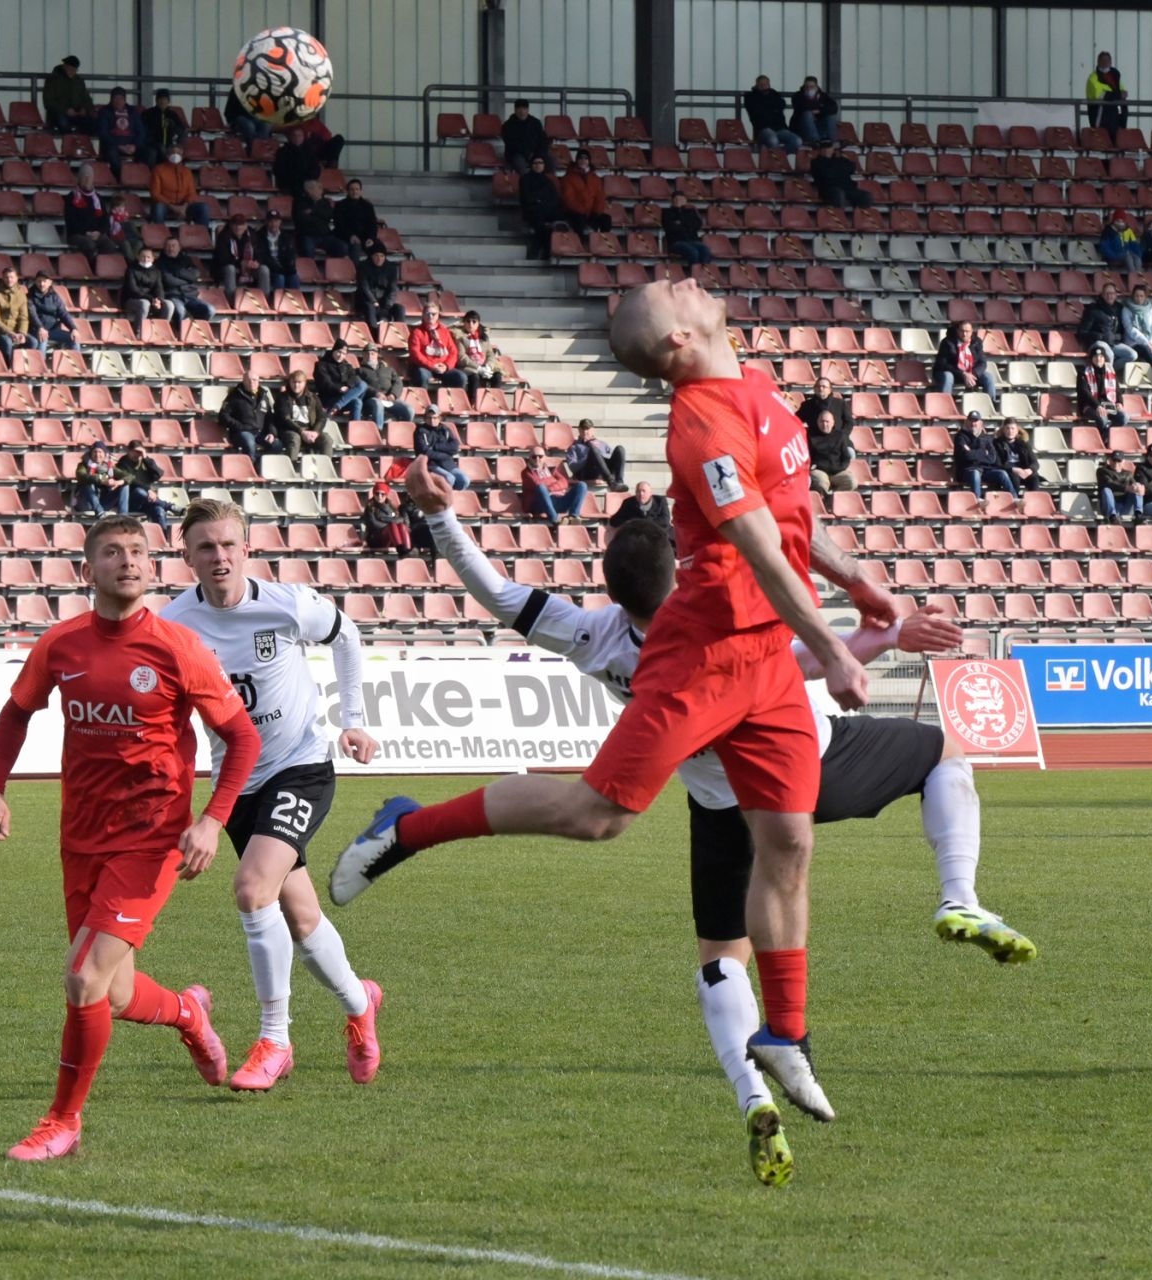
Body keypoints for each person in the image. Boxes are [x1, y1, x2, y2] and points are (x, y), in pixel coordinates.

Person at [330, 279, 901, 1182]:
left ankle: (787, 1034)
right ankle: (406, 827)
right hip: (707, 652)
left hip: (761, 651)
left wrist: (858, 581)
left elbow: (792, 520)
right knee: (598, 815)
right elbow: (757, 541)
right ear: (677, 338)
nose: (687, 278)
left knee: (790, 840)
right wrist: (830, 642)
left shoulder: (755, 386)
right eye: (672, 289)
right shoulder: (701, 423)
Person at [394, 456, 1022, 1188]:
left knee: (722, 959)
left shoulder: (594, 636)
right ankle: (957, 895)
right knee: (943, 753)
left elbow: (498, 594)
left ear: (612, 588)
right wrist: (887, 637)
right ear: (679, 572)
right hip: (799, 771)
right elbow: (808, 657)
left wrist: (441, 517)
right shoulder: (715, 616)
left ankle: (751, 1092)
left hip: (719, 806)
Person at [0, 513, 261, 1161]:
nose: (127, 561)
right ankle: (188, 1013)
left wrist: (211, 820)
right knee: (116, 991)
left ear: (151, 567)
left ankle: (63, 1121)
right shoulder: (61, 645)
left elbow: (242, 737)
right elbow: (16, 713)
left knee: (83, 977)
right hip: (81, 836)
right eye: (112, 552)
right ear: (88, 570)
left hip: (151, 839)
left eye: (137, 551)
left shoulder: (178, 647)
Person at [159, 500, 385, 1091]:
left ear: (246, 549)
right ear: (187, 558)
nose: (219, 556)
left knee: (252, 888)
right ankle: (360, 1004)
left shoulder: (288, 604)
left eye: (228, 544)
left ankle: (274, 1040)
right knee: (301, 916)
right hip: (236, 781)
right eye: (205, 547)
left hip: (301, 767)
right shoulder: (174, 625)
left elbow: (347, 636)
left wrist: (353, 719)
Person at [273, 368, 340, 463]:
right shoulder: (282, 398)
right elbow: (285, 419)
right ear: (290, 382)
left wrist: (315, 432)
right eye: (294, 382)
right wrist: (302, 432)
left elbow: (322, 417)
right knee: (294, 439)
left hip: (310, 430)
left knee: (327, 439)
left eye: (299, 382)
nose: (296, 385)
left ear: (304, 383)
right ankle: (291, 466)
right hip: (291, 430)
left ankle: (325, 466)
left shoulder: (313, 397)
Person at [951, 411, 1015, 503]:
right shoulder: (960, 437)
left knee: (1002, 473)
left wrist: (972, 453)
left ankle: (1014, 499)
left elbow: (992, 458)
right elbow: (966, 456)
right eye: (971, 420)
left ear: (981, 423)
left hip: (985, 470)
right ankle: (977, 500)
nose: (973, 423)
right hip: (966, 471)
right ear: (966, 422)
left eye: (976, 421)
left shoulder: (986, 438)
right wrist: (983, 453)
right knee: (975, 473)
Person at [220, 372, 281, 466]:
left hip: (260, 433)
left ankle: (260, 465)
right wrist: (240, 427)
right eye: (248, 380)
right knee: (249, 442)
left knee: (277, 444)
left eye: (254, 380)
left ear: (258, 381)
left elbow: (269, 417)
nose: (252, 383)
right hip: (241, 433)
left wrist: (271, 433)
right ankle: (250, 468)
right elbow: (223, 416)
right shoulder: (234, 396)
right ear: (243, 381)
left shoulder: (263, 396)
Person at [1077, 283, 1135, 374]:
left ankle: (1107, 372)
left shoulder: (1119, 309)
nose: (1109, 296)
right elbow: (1082, 332)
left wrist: (1118, 337)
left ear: (1116, 295)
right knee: (1109, 355)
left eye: (1112, 293)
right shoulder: (1093, 309)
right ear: (1102, 294)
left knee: (1132, 355)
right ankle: (1107, 377)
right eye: (1107, 293)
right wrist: (1099, 336)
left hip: (1114, 343)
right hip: (1098, 343)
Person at [114, 441, 172, 532]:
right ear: (129, 451)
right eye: (135, 451)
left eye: (140, 452)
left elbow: (158, 474)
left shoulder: (146, 462)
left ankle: (163, 538)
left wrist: (146, 458)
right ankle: (168, 505)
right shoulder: (122, 463)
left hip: (148, 500)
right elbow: (133, 481)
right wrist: (148, 490)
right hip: (131, 501)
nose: (137, 455)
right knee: (139, 491)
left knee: (159, 511)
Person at [521, 446, 588, 525]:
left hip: (558, 499)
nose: (537, 459)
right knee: (541, 488)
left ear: (545, 458)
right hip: (540, 504)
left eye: (540, 456)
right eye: (534, 456)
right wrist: (554, 480)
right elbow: (537, 484)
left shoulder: (551, 469)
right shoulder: (526, 473)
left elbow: (564, 482)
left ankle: (573, 516)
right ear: (529, 458)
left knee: (582, 485)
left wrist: (550, 488)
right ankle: (555, 520)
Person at [0, 267, 35, 361]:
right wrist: (9, 333)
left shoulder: (21, 295)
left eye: (11, 277)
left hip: (15, 330)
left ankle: (22, 365)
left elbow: (23, 317)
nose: (9, 280)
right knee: (7, 342)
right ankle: (7, 366)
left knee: (32, 342)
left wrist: (22, 333)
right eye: (6, 277)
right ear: (3, 278)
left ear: (16, 278)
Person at [408, 304, 466, 390]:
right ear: (423, 315)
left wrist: (446, 366)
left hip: (443, 366)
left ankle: (452, 398)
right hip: (425, 367)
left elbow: (453, 352)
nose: (430, 316)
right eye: (427, 314)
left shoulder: (444, 331)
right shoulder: (417, 332)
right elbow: (415, 354)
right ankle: (423, 398)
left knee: (461, 377)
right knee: (421, 375)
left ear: (438, 315)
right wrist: (432, 366)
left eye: (433, 314)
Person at [932, 320, 997, 397]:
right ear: (957, 331)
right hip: (953, 373)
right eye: (962, 331)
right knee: (948, 376)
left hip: (971, 373)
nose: (964, 334)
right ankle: (944, 401)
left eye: (967, 331)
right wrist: (963, 374)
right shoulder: (947, 342)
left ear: (971, 331)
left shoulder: (977, 342)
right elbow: (942, 364)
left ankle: (991, 402)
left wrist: (972, 374)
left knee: (988, 377)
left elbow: (982, 363)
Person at [312, 339, 373, 419]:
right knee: (361, 389)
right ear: (333, 350)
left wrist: (348, 386)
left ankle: (341, 410)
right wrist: (339, 388)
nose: (340, 356)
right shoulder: (321, 365)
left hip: (343, 398)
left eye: (344, 353)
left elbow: (353, 377)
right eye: (339, 352)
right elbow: (325, 383)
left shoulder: (346, 366)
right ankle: (336, 406)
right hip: (329, 399)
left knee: (360, 394)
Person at [64, 169, 119, 257]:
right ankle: (90, 265)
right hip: (77, 234)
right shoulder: (72, 197)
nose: (87, 180)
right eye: (85, 177)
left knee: (110, 245)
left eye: (90, 177)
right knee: (89, 245)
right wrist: (86, 232)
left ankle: (101, 264)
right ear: (79, 179)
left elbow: (105, 220)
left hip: (96, 234)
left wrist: (99, 232)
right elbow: (71, 221)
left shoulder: (97, 198)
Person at [518, 153, 563, 260]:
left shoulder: (548, 181)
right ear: (531, 165)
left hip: (548, 212)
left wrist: (543, 202)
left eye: (540, 163)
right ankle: (542, 253)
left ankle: (539, 252)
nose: (538, 165)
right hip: (533, 212)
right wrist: (541, 201)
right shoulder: (525, 179)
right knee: (542, 227)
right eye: (535, 163)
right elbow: (528, 198)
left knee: (559, 223)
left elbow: (554, 199)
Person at [1120, 282, 1152, 382]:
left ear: (1145, 296)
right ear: (1133, 296)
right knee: (1147, 349)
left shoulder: (1151, 308)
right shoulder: (1126, 309)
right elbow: (1130, 329)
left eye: (1141, 296)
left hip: (1151, 342)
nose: (1139, 298)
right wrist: (1146, 342)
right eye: (1136, 296)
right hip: (1134, 342)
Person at [148, 149, 209, 226]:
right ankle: (159, 232)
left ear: (182, 156)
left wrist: (184, 207)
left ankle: (203, 233)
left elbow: (192, 193)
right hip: (165, 205)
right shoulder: (158, 170)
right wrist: (172, 206)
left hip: (183, 205)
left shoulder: (186, 171)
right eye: (173, 152)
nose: (175, 155)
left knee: (203, 207)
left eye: (178, 153)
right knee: (158, 208)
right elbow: (155, 194)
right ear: (167, 155)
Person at [213, 213, 267, 299]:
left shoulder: (252, 235)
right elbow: (222, 258)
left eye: (241, 225)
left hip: (250, 268)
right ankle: (232, 299)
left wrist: (257, 262)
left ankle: (264, 299)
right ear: (231, 225)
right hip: (230, 267)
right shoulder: (224, 236)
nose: (238, 228)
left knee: (264, 269)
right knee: (230, 269)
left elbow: (261, 252)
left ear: (246, 225)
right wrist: (240, 264)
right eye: (235, 225)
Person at [412, 405, 468, 488]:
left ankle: (451, 495)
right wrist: (446, 454)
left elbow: (454, 447)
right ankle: (445, 496)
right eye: (429, 418)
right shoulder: (420, 431)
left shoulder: (445, 429)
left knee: (464, 480)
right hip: (430, 464)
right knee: (449, 478)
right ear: (425, 418)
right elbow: (424, 452)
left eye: (435, 418)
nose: (432, 420)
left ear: (439, 418)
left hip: (447, 464)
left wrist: (436, 447)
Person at [122, 246, 178, 328]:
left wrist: (159, 300)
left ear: (153, 259)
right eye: (143, 256)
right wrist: (151, 299)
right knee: (144, 304)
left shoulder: (156, 271)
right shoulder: (131, 270)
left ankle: (161, 330)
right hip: (132, 300)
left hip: (152, 300)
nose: (145, 259)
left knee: (169, 305)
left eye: (148, 257)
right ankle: (139, 331)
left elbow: (159, 288)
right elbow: (133, 290)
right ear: (138, 257)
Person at [559, 150, 612, 237]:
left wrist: (595, 212)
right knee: (579, 221)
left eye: (586, 158)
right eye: (580, 158)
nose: (583, 160)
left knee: (606, 219)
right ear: (576, 160)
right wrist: (583, 212)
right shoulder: (568, 178)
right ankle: (580, 243)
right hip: (574, 212)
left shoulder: (595, 178)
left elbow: (600, 197)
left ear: (589, 161)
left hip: (590, 212)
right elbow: (569, 199)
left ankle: (601, 242)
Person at [743, 75, 801, 154]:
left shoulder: (775, 94)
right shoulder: (751, 97)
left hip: (781, 129)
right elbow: (757, 111)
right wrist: (772, 107)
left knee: (797, 141)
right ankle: (777, 157)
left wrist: (768, 106)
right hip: (763, 129)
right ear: (757, 85)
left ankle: (780, 155)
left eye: (766, 84)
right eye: (761, 85)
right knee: (773, 140)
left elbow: (782, 104)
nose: (764, 87)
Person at [292, 178, 347, 259]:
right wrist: (319, 215)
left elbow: (329, 215)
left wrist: (313, 211)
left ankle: (333, 266)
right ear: (309, 190)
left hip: (325, 236)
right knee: (308, 250)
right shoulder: (300, 202)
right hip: (308, 235)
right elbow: (302, 220)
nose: (322, 190)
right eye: (319, 188)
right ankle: (309, 267)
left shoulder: (325, 202)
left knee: (342, 247)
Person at [808, 139, 871, 210]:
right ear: (820, 150)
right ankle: (840, 215)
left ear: (832, 149)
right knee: (839, 194)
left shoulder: (841, 159)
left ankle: (859, 215)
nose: (826, 150)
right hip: (828, 190)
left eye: (829, 148)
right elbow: (826, 174)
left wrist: (837, 163)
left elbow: (852, 168)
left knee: (865, 196)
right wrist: (838, 168)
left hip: (847, 188)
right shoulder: (816, 162)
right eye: (824, 148)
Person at [354, 243, 406, 326]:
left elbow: (393, 288)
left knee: (400, 309)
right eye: (376, 256)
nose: (379, 259)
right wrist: (373, 301)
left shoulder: (391, 267)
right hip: (367, 301)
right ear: (371, 256)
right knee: (370, 308)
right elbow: (364, 287)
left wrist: (387, 304)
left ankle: (399, 331)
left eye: (382, 256)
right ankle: (374, 331)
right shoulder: (363, 266)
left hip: (384, 302)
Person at [564, 418, 626, 488]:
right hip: (588, 472)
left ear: (593, 430)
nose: (585, 432)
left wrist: (600, 456)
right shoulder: (574, 447)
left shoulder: (602, 443)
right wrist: (588, 457)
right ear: (579, 430)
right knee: (593, 449)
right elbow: (573, 467)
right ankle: (611, 482)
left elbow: (613, 458)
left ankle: (619, 482)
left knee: (620, 449)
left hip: (604, 469)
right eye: (583, 429)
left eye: (587, 429)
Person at [356, 350, 414, 422]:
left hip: (389, 399)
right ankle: (378, 428)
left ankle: (403, 428)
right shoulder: (359, 371)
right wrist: (376, 393)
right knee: (378, 404)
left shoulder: (389, 370)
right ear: (363, 355)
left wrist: (393, 394)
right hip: (371, 399)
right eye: (367, 354)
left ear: (377, 355)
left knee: (409, 410)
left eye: (372, 354)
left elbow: (398, 382)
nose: (370, 356)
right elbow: (361, 385)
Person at [358, 474, 411, 553]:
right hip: (376, 538)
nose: (379, 496)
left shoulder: (391, 507)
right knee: (392, 525)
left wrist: (385, 519)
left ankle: (407, 548)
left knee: (401, 526)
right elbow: (373, 524)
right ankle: (401, 550)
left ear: (386, 495)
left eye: (382, 494)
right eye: (377, 494)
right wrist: (389, 524)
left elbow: (400, 519)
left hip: (391, 537)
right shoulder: (370, 507)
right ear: (374, 494)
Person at [28, 272, 80, 351]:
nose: (41, 284)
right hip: (36, 330)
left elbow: (63, 313)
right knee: (43, 340)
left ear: (50, 282)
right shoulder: (30, 296)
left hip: (53, 330)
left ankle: (76, 359)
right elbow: (33, 315)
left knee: (74, 338)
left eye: (44, 281)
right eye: (39, 281)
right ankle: (40, 359)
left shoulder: (55, 296)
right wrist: (40, 327)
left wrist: (73, 328)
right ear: (35, 282)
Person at [806, 409, 855, 493]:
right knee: (821, 482)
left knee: (851, 482)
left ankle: (834, 498)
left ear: (832, 422)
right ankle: (823, 498)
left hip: (837, 471)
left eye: (827, 422)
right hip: (819, 470)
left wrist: (840, 468)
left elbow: (846, 457)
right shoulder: (811, 436)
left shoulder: (839, 436)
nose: (824, 424)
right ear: (817, 422)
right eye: (822, 421)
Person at [455, 311, 504, 394]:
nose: (471, 324)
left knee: (497, 375)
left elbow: (490, 354)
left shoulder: (483, 338)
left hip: (484, 366)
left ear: (478, 323)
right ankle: (473, 400)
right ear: (464, 323)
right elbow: (462, 357)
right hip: (469, 367)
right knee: (475, 377)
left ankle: (494, 399)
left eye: (474, 322)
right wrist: (478, 368)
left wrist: (489, 366)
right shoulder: (460, 337)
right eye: (468, 321)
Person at [332, 178, 383, 257]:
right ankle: (354, 265)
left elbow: (372, 224)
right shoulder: (340, 205)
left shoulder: (368, 206)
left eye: (357, 189)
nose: (354, 192)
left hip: (365, 237)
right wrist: (351, 236)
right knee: (356, 247)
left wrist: (371, 238)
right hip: (346, 236)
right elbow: (339, 224)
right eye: (352, 189)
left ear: (360, 191)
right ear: (348, 191)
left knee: (379, 247)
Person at [1080, 350, 1131, 431]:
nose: (1098, 359)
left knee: (1124, 417)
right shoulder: (1084, 373)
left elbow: (1117, 390)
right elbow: (1085, 393)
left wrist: (1119, 402)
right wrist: (1097, 406)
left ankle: (1105, 436)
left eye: (1101, 356)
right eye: (1095, 356)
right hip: (1091, 405)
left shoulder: (1110, 372)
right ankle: (1106, 437)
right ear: (1091, 358)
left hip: (1108, 405)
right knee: (1103, 418)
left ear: (1104, 359)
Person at [42, 55, 94, 133]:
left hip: (76, 113)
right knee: (64, 124)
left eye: (75, 70)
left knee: (92, 123)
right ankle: (71, 139)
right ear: (64, 67)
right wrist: (65, 110)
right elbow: (48, 102)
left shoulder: (79, 81)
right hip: (57, 114)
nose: (72, 72)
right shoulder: (53, 80)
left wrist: (84, 108)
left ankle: (77, 138)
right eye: (70, 69)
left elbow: (86, 98)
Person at [661, 190, 712, 267]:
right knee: (693, 252)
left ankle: (704, 271)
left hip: (693, 241)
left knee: (705, 251)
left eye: (681, 199)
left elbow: (697, 225)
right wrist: (680, 213)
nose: (679, 201)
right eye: (676, 199)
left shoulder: (691, 212)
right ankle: (694, 272)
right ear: (672, 201)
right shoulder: (667, 213)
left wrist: (681, 223)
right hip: (676, 242)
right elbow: (671, 228)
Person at [72, 441, 123, 515]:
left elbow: (128, 476)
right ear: (91, 454)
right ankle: (100, 512)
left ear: (105, 454)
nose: (97, 455)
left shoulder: (109, 467)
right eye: (95, 452)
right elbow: (81, 475)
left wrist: (117, 482)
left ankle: (123, 515)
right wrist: (101, 480)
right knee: (86, 483)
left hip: (103, 502)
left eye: (100, 452)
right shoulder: (83, 465)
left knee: (124, 485)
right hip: (86, 503)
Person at [97, 88, 144, 167]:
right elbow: (103, 133)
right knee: (112, 154)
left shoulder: (132, 112)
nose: (118, 101)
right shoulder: (105, 112)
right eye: (115, 98)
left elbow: (141, 132)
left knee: (149, 152)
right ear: (111, 100)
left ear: (125, 100)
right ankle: (119, 174)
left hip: (131, 146)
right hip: (112, 146)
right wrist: (119, 146)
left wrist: (134, 145)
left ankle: (142, 173)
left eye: (121, 98)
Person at [140, 90, 188, 167]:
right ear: (156, 101)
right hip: (152, 144)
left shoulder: (172, 115)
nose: (162, 102)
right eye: (160, 99)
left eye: (165, 99)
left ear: (168, 101)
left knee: (174, 151)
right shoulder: (148, 113)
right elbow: (143, 132)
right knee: (154, 152)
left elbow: (181, 130)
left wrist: (178, 146)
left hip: (169, 144)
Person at [992, 418, 1041, 492]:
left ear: (1017, 430)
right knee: (1014, 477)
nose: (1010, 431)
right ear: (1003, 430)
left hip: (1023, 471)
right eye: (1007, 428)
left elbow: (1035, 462)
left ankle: (1034, 498)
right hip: (1009, 471)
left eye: (1013, 428)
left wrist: (1030, 470)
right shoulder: (996, 444)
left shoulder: (1024, 444)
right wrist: (1013, 469)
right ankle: (1015, 498)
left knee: (1034, 477)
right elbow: (997, 463)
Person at [499, 99, 548, 173]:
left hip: (535, 153)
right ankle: (527, 179)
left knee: (550, 161)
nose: (522, 112)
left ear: (528, 110)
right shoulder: (508, 125)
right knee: (520, 165)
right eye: (519, 109)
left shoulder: (536, 123)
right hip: (516, 154)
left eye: (524, 109)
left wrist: (538, 153)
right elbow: (511, 144)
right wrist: (528, 153)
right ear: (515, 110)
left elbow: (543, 139)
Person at [1085, 51, 1126, 141]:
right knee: (1103, 141)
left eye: (1107, 60)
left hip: (1116, 114)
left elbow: (1122, 91)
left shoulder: (1115, 75)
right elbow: (1100, 95)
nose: (1105, 63)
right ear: (1098, 62)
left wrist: (1120, 94)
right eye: (1102, 61)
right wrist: (1118, 95)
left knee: (1117, 140)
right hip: (1100, 114)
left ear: (1111, 62)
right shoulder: (1093, 78)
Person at [1094, 447, 1140, 523]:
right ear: (1110, 461)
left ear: (1123, 462)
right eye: (1114, 460)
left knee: (1137, 489)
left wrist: (1138, 487)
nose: (1116, 463)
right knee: (1106, 490)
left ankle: (1138, 514)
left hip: (1124, 504)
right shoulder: (1102, 471)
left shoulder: (1128, 474)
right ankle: (1112, 516)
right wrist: (1126, 488)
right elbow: (1109, 483)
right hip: (1108, 505)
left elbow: (1134, 485)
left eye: (1119, 461)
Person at [790, 76, 839, 145]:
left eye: (811, 87)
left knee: (831, 116)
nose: (809, 89)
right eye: (806, 87)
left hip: (819, 127)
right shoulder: (798, 96)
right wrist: (818, 105)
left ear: (816, 87)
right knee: (807, 114)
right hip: (802, 128)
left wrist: (819, 111)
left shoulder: (823, 96)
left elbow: (834, 107)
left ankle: (832, 142)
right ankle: (816, 141)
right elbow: (802, 108)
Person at [258, 213, 300, 291]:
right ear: (266, 222)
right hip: (270, 268)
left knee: (294, 277)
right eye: (271, 221)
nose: (274, 224)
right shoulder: (260, 236)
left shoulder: (286, 236)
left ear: (280, 222)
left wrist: (289, 267)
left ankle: (295, 297)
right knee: (280, 278)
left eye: (276, 221)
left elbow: (291, 254)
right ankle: (278, 298)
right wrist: (277, 268)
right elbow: (262, 256)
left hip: (284, 267)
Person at [1098, 208, 1143, 273]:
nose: (1121, 223)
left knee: (1137, 258)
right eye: (1118, 221)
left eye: (1122, 221)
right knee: (1127, 256)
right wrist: (1114, 256)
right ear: (1114, 221)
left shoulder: (1128, 230)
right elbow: (1104, 247)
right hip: (1113, 256)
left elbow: (1134, 244)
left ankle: (1138, 275)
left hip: (1126, 254)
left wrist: (1138, 254)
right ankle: (1133, 275)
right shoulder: (1107, 231)